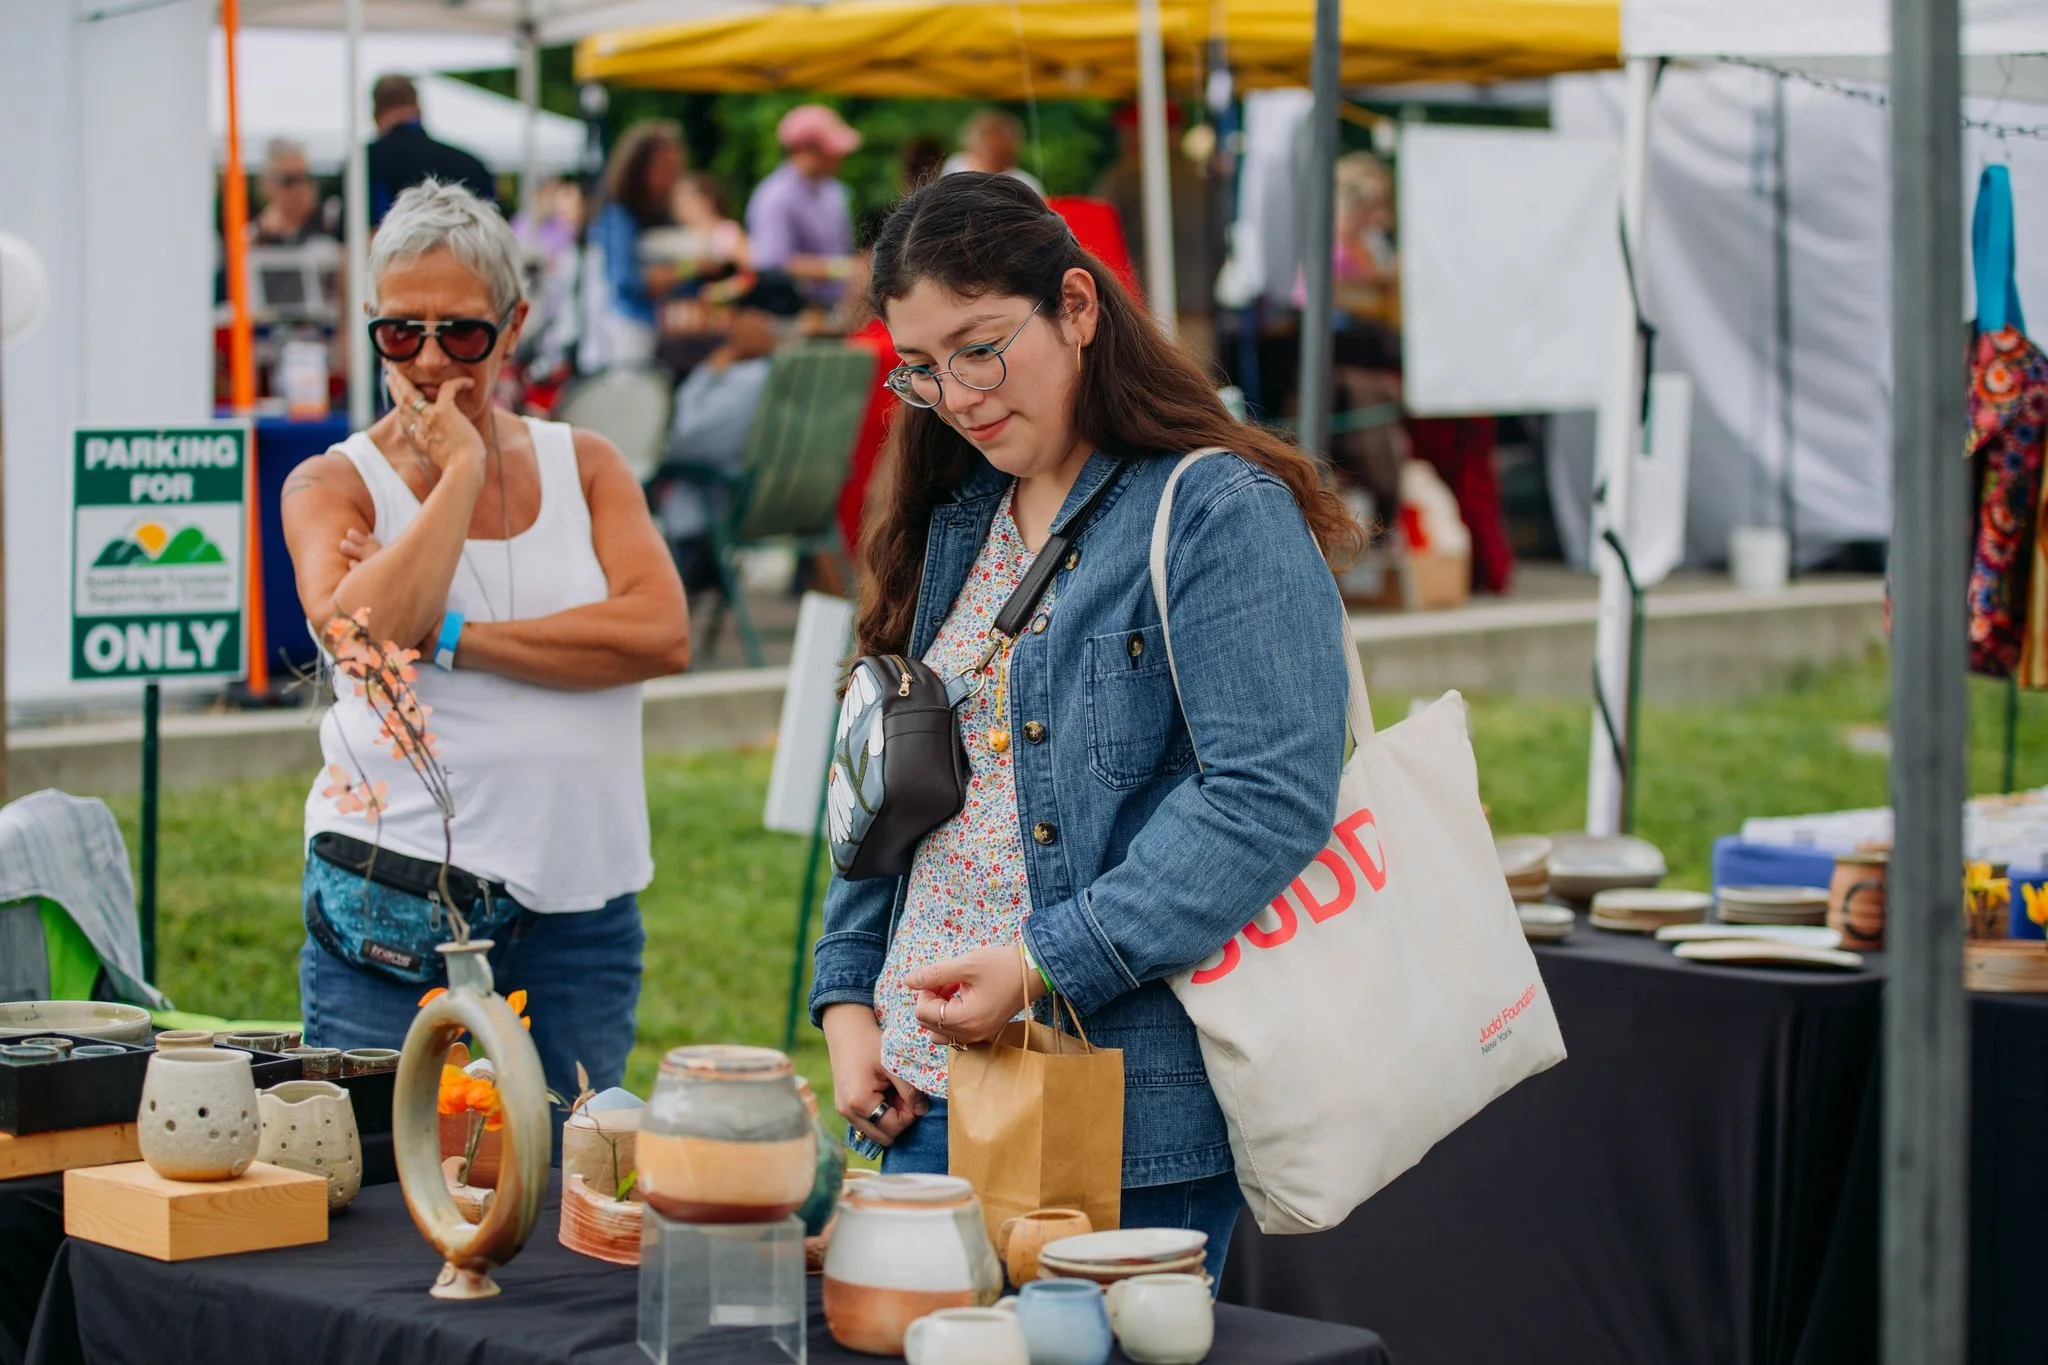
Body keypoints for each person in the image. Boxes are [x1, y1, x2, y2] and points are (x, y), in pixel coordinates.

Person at [809, 173, 1359, 1283]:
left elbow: (1267, 795)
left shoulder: (1212, 509)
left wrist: (1037, 964)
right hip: (915, 1090)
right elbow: (889, 786)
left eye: (978, 347)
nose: (955, 395)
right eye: (920, 368)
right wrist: (846, 999)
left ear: (1075, 305)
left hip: (1107, 1105)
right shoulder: (955, 515)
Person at [281, 180, 690, 1112]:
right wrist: (460, 470)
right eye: (401, 333)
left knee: (568, 1183)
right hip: (397, 894)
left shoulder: (584, 463)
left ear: (513, 327)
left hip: (578, 902)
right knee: (388, 1188)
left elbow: (660, 632)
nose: (430, 362)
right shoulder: (332, 481)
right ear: (372, 328)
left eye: (461, 333)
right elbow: (357, 639)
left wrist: (452, 634)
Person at [583, 121, 688, 370]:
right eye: (665, 167)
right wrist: (689, 268)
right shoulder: (619, 216)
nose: (672, 176)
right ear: (641, 168)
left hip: (650, 327)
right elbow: (627, 279)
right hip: (626, 331)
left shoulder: (652, 213)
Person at [745, 104, 860, 309]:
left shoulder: (832, 190)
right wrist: (842, 269)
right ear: (806, 150)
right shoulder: (775, 196)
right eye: (831, 150)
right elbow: (772, 263)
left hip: (835, 308)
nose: (840, 157)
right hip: (792, 313)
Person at [367, 74, 499, 225]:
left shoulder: (367, 162)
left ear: (376, 115)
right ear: (418, 109)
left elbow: (359, 233)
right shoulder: (472, 164)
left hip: (397, 246)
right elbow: (494, 226)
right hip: (464, 246)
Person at [942, 109, 1045, 196]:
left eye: (1006, 152)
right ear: (974, 148)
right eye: (996, 151)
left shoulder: (1028, 184)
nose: (1005, 158)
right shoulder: (958, 165)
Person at [251, 140, 332, 246]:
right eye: (288, 180)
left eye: (304, 177)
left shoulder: (333, 222)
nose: (298, 188)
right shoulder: (254, 236)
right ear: (267, 184)